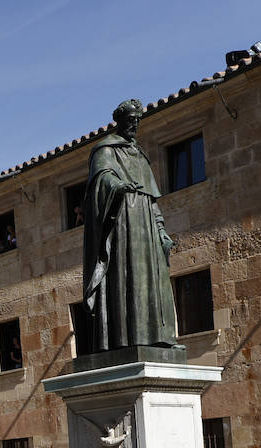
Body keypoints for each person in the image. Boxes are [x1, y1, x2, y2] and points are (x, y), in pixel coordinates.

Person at [81, 98, 178, 351]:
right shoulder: (106, 149)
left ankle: (160, 337)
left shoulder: (141, 156)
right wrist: (116, 186)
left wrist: (161, 231)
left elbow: (152, 199)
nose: (134, 125)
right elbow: (101, 179)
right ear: (120, 122)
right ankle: (125, 338)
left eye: (137, 121)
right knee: (127, 277)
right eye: (130, 120)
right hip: (122, 222)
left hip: (145, 223)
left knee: (152, 280)